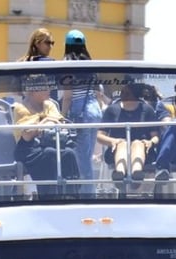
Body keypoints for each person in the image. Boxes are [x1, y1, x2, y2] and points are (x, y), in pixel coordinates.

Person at [12, 74, 81, 199]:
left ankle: (72, 193)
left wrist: (40, 122)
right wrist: (46, 120)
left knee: (69, 153)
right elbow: (27, 134)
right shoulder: (20, 108)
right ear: (34, 91)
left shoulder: (49, 104)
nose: (49, 90)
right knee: (49, 154)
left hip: (52, 141)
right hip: (28, 147)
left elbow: (59, 122)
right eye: (45, 88)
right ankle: (47, 196)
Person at [96, 80, 165, 183]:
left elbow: (155, 136)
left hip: (144, 150)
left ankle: (137, 173)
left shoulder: (147, 110)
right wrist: (113, 141)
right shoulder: (112, 110)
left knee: (137, 143)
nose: (124, 92)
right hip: (115, 149)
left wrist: (151, 142)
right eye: (124, 90)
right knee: (122, 143)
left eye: (128, 91)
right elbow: (100, 136)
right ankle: (119, 173)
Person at [61, 29, 103, 196]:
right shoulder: (90, 64)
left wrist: (63, 116)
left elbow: (68, 96)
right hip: (94, 110)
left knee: (82, 157)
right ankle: (88, 190)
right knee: (88, 153)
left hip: (81, 112)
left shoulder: (67, 65)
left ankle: (88, 194)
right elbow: (98, 91)